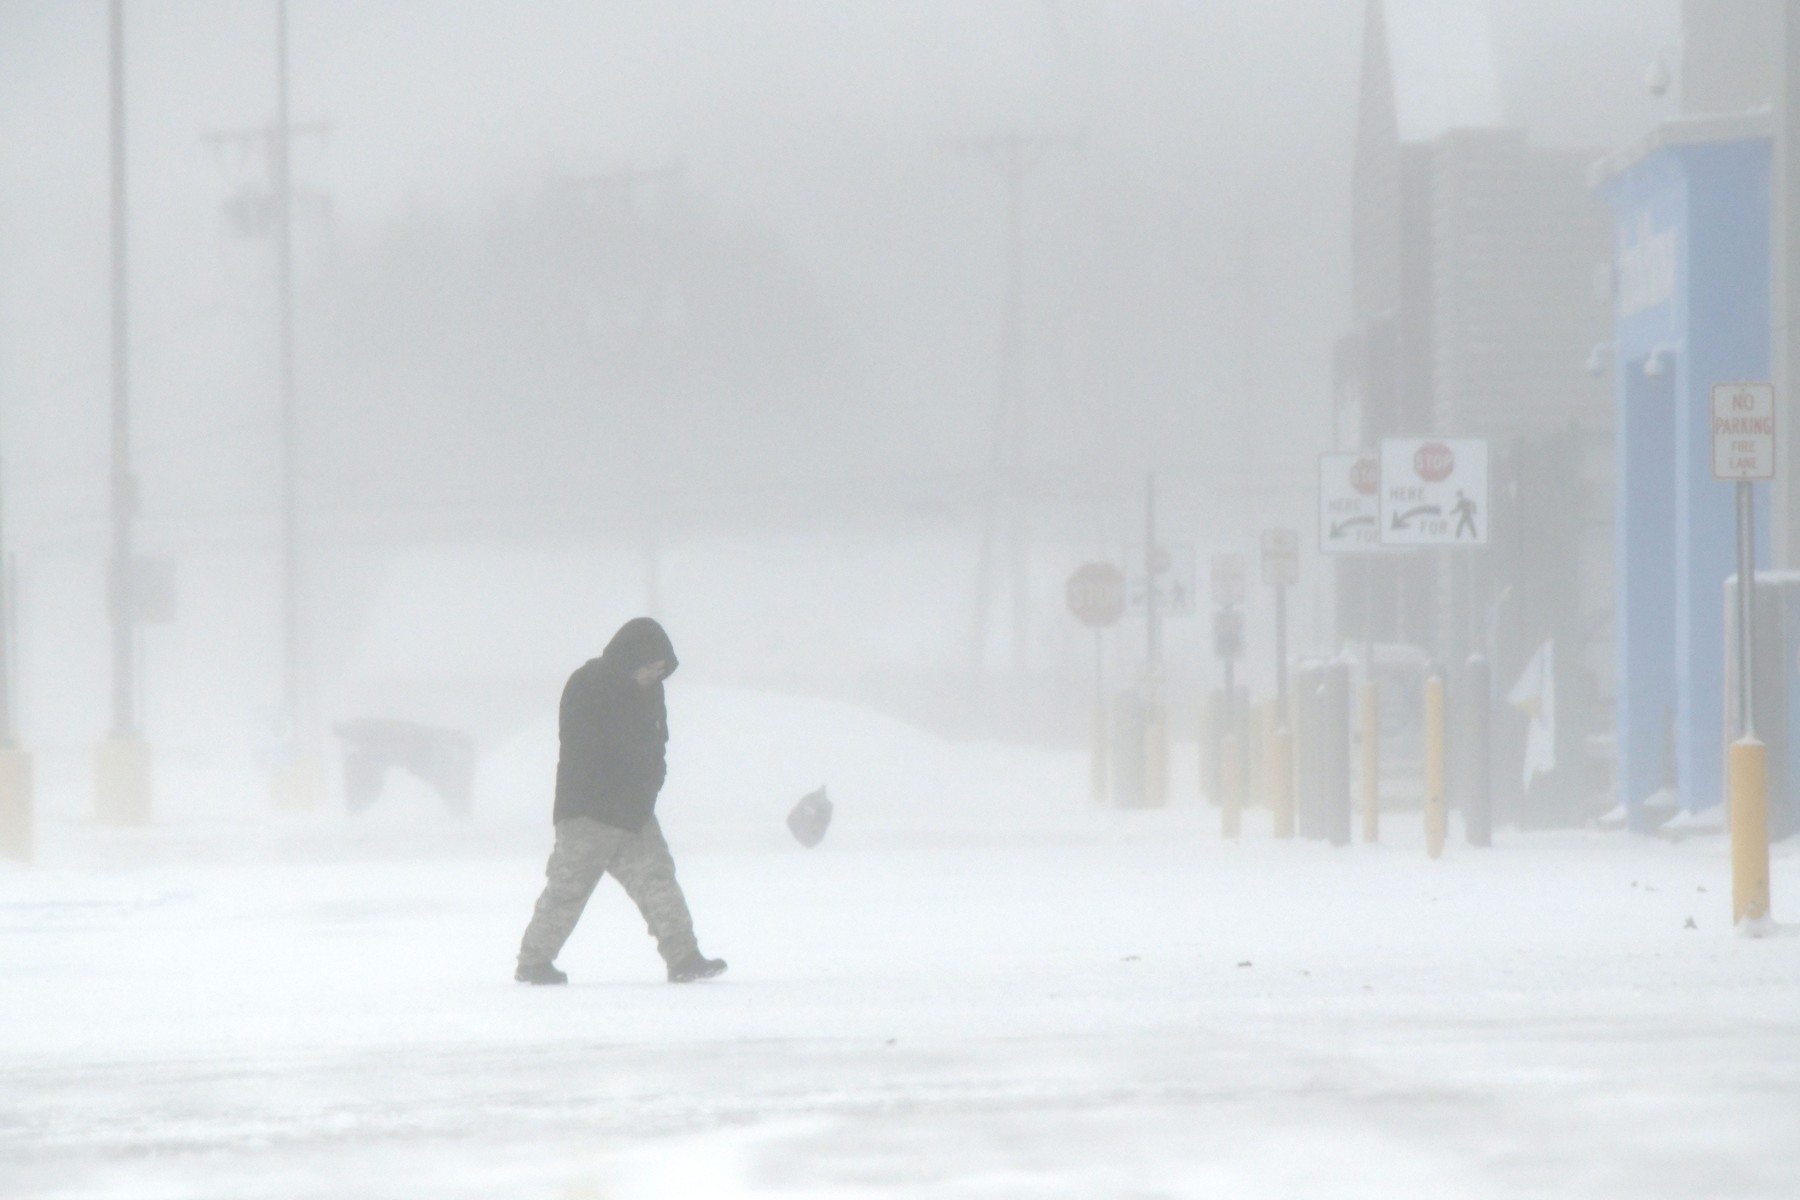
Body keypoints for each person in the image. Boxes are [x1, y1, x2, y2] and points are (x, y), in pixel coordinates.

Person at [515, 617, 726, 985]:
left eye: (661, 669)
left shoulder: (652, 692)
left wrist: (651, 784)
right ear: (629, 658)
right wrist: (618, 783)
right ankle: (533, 963)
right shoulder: (588, 684)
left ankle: (685, 958)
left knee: (658, 879)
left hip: (634, 811)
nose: (653, 675)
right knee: (568, 889)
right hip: (588, 812)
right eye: (648, 667)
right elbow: (581, 747)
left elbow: (658, 743)